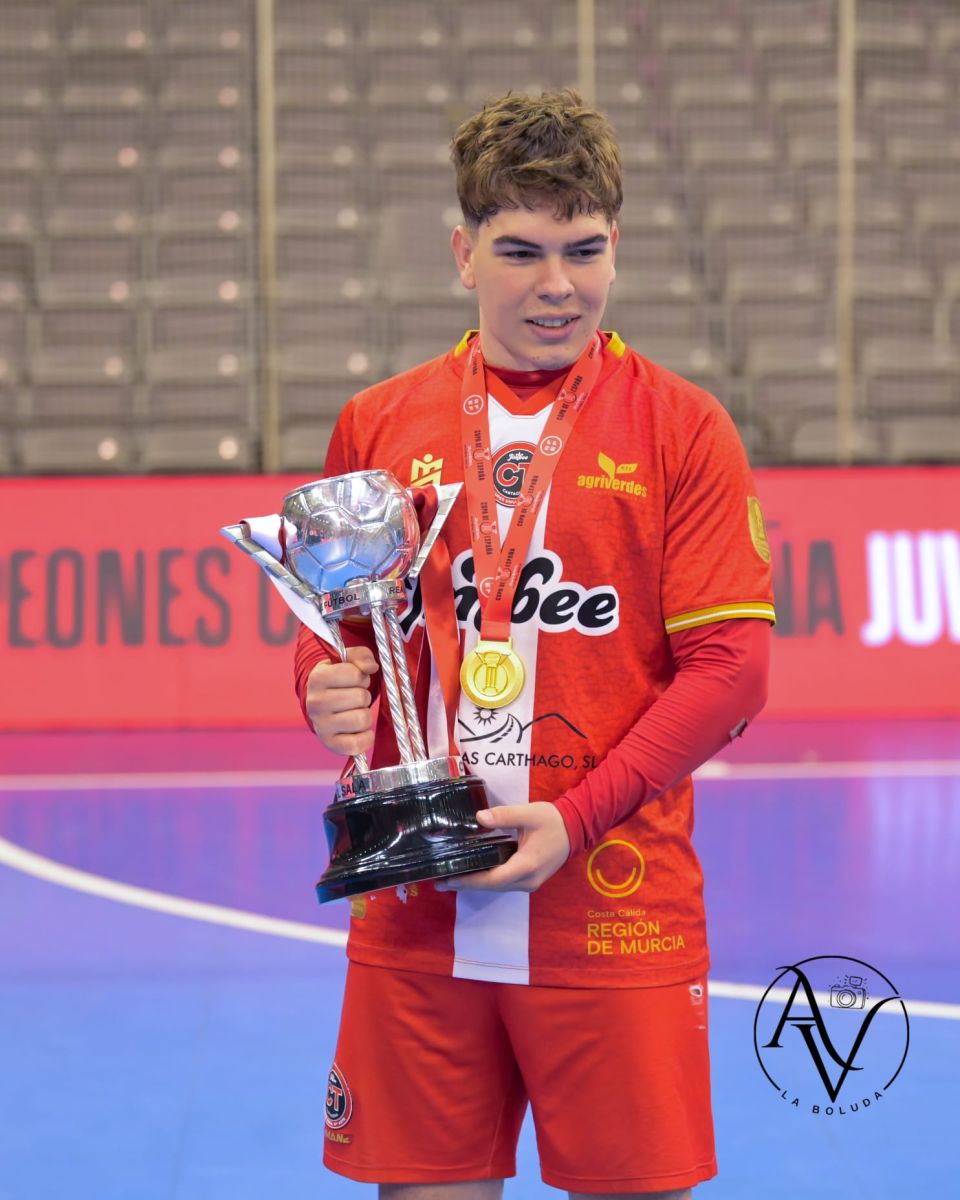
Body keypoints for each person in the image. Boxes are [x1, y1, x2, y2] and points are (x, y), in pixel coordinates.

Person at [294, 90, 775, 1200]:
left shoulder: (682, 427)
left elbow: (732, 671)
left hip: (611, 907)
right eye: (520, 251)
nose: (558, 284)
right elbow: (342, 635)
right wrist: (322, 688)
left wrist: (575, 818)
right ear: (463, 253)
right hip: (416, 912)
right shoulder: (380, 422)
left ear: (616, 247)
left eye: (584, 250)